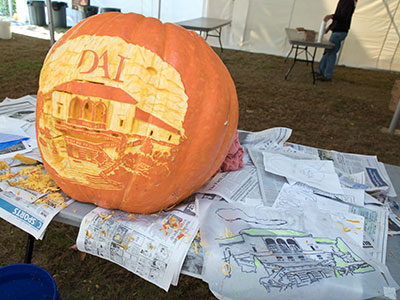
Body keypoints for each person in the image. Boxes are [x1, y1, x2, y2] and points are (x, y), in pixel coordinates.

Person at [317, 0, 357, 81]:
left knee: (331, 52)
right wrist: (329, 27)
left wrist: (331, 16)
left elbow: (344, 17)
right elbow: (338, 16)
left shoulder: (348, 2)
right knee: (328, 51)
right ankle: (321, 71)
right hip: (337, 30)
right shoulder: (343, 1)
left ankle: (327, 75)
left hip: (340, 31)